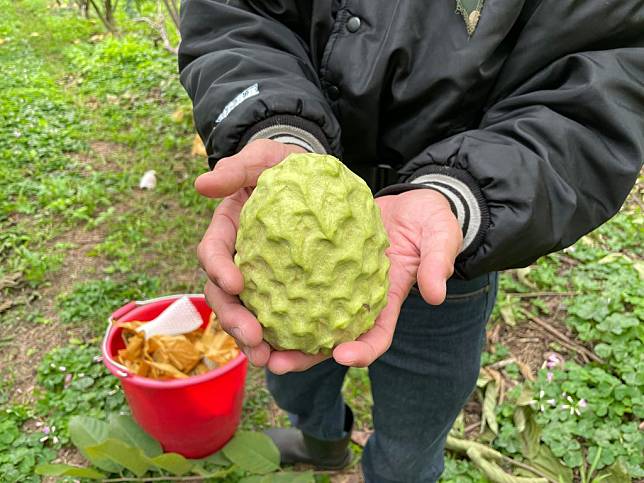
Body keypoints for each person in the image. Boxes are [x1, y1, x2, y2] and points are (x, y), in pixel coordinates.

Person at [177, 1, 644, 481]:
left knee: (416, 426)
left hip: (449, 246)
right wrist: (274, 122)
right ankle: (323, 441)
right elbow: (237, 13)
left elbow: (600, 83)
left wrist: (462, 192)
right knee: (295, 379)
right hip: (293, 210)